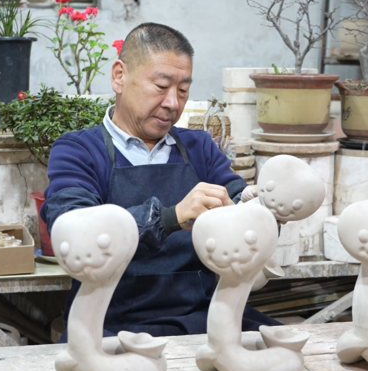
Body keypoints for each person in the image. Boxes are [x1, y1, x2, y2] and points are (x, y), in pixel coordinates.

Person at [42, 22, 280, 341]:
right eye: (161, 86)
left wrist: (259, 208)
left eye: (182, 90)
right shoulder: (78, 150)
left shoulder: (198, 147)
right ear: (119, 76)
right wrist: (170, 218)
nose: (173, 103)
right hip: (110, 325)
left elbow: (237, 196)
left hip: (203, 319)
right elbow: (74, 233)